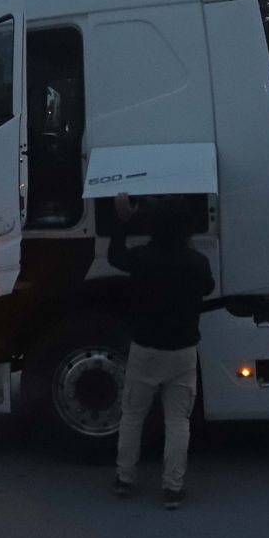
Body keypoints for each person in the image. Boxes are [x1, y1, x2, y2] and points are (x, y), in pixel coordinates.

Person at [107, 192, 214, 510]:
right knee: (178, 421)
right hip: (183, 351)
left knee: (133, 415)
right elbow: (207, 288)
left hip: (146, 348)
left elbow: (115, 256)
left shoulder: (142, 258)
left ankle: (125, 478)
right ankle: (172, 488)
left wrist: (123, 222)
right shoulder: (197, 263)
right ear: (187, 229)